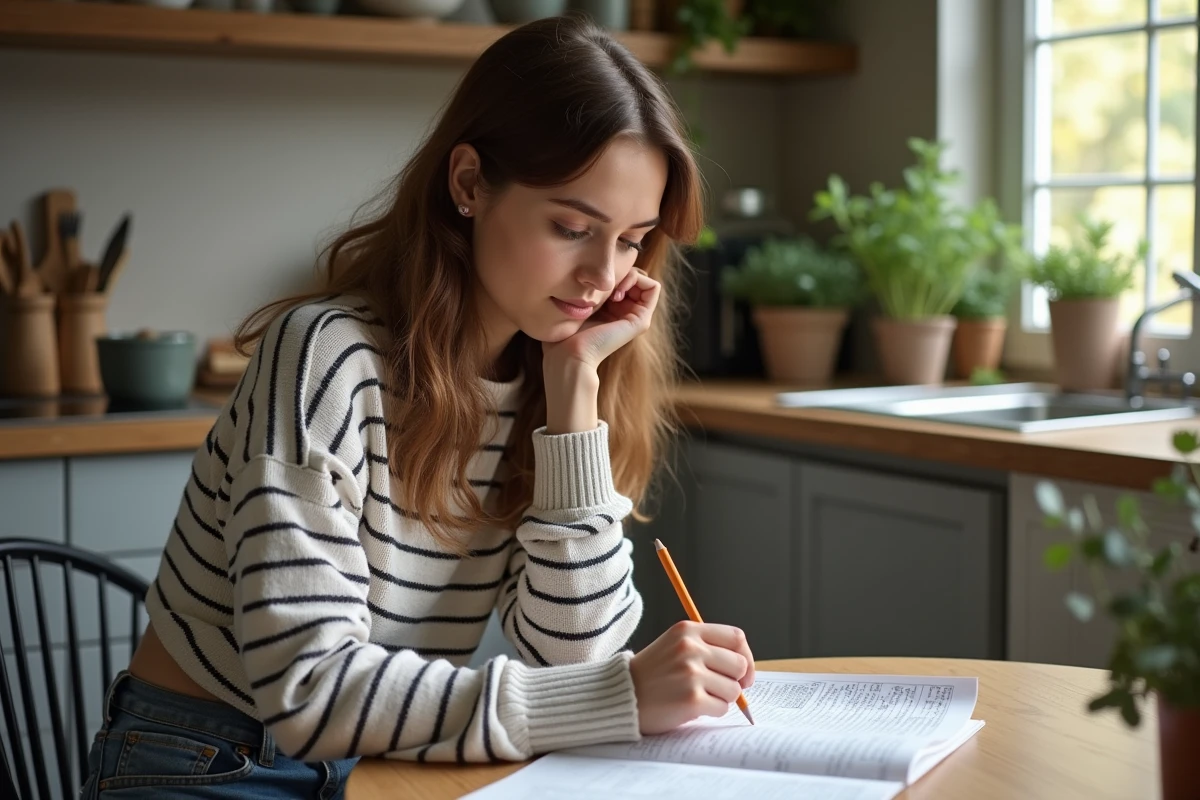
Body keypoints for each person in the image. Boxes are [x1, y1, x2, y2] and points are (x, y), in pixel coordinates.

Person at [80, 14, 756, 799]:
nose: (603, 274)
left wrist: (573, 390)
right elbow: (310, 693)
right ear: (469, 183)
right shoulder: (326, 357)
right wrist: (618, 697)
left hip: (382, 758)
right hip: (208, 760)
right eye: (572, 227)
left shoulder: (552, 370)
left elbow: (574, 661)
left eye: (634, 240)